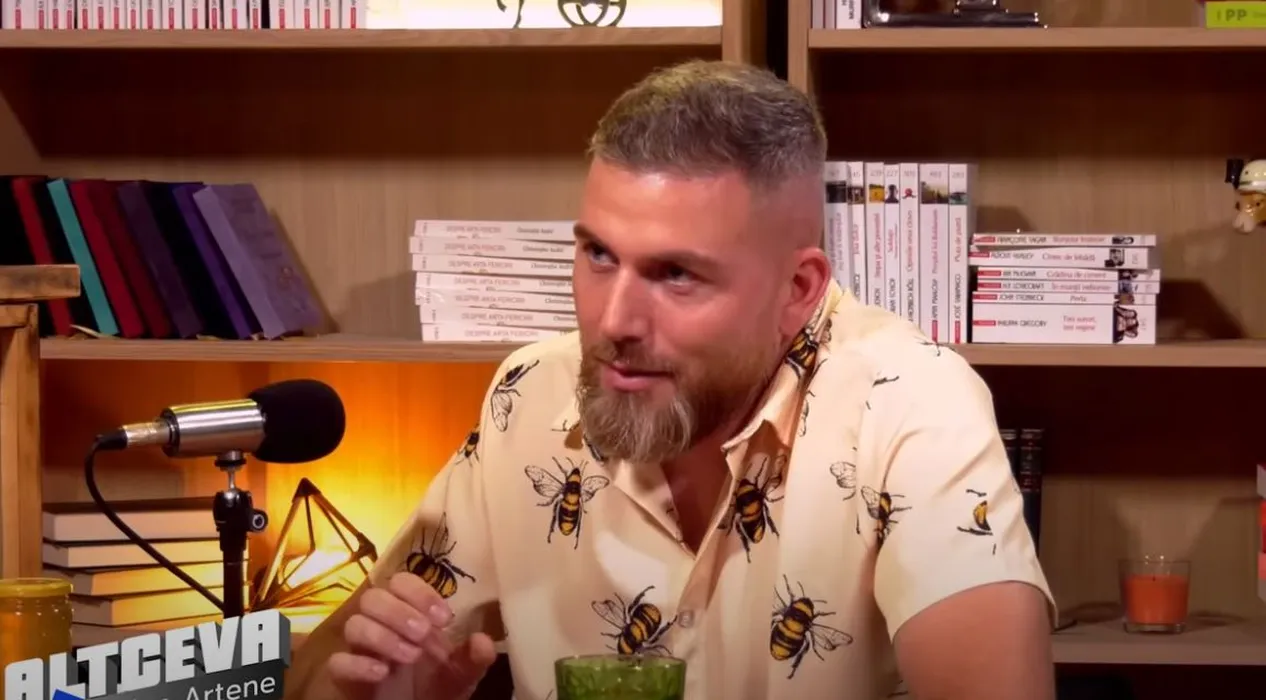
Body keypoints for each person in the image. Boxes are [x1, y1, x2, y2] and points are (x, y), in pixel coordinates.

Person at [284, 59, 1057, 700]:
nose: (613, 320)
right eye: (598, 255)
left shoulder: (913, 404)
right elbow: (326, 672)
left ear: (797, 290)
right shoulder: (532, 391)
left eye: (676, 275)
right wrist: (379, 691)